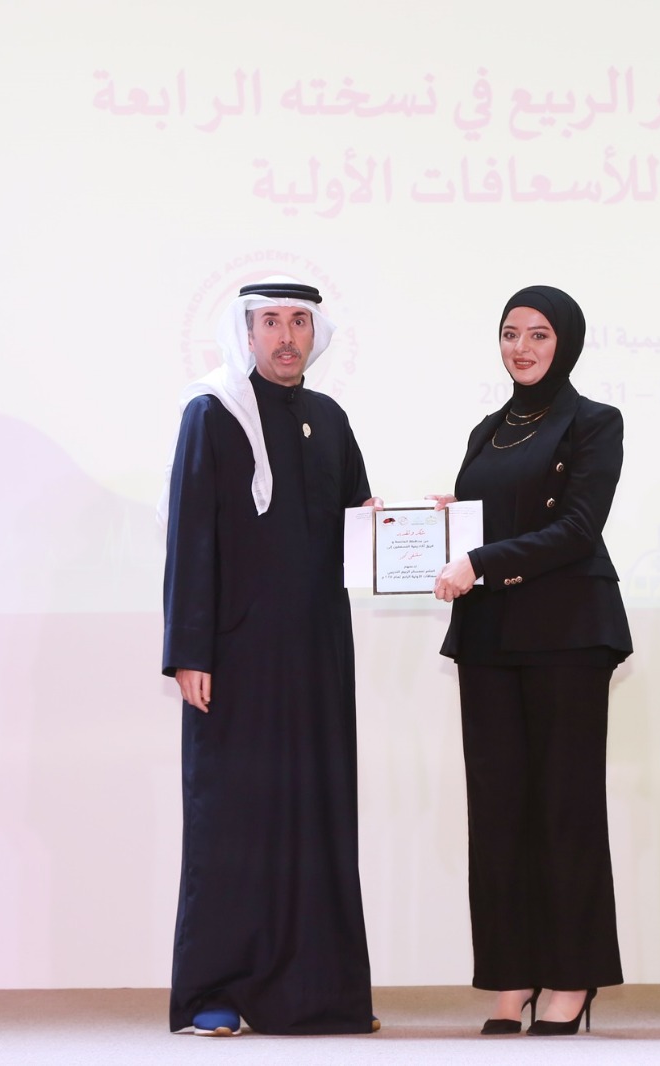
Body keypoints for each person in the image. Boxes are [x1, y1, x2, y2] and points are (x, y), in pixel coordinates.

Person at [161, 276, 378, 1037]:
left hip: (317, 656)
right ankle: (214, 992)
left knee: (317, 818)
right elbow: (191, 535)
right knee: (233, 820)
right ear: (246, 332)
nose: (287, 338)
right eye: (271, 323)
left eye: (299, 323)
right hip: (236, 657)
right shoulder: (212, 413)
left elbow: (358, 526)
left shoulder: (330, 418)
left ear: (315, 333)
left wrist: (421, 529)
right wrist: (189, 650)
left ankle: (316, 994)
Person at [430, 285, 632, 1036]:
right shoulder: (488, 430)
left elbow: (578, 527)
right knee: (498, 812)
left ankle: (573, 979)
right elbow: (490, 521)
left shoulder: (594, 422)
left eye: (539, 335)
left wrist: (479, 561)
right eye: (510, 333)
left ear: (565, 342)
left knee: (564, 808)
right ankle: (511, 976)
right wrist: (439, 529)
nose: (522, 348)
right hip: (489, 637)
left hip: (568, 634)